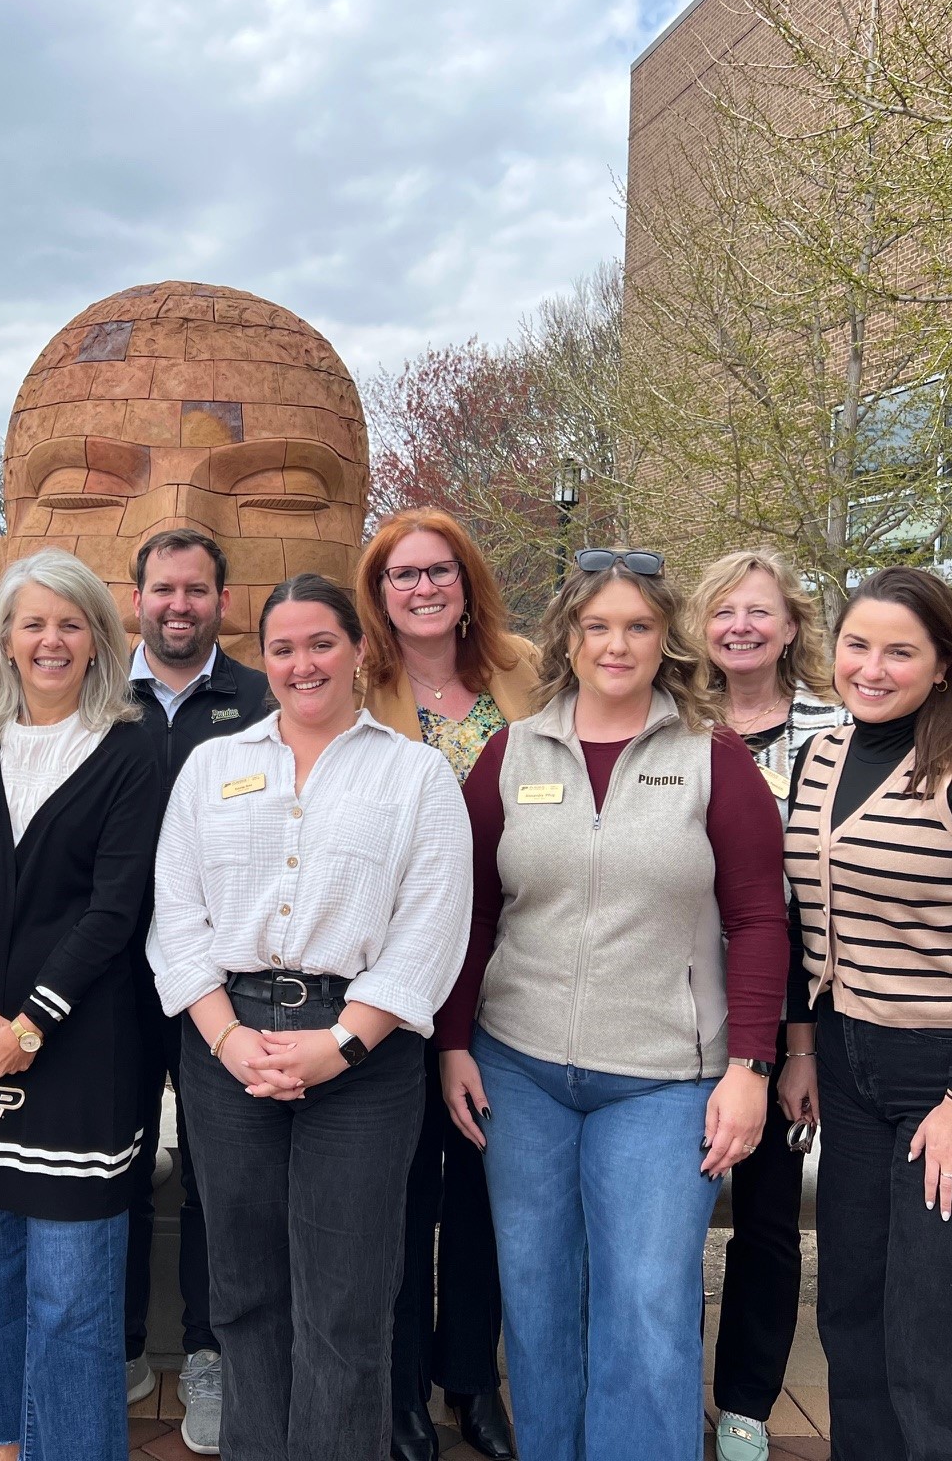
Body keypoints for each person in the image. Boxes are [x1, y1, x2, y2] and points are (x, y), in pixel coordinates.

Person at [436, 548, 788, 1461]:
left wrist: (750, 1068)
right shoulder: (511, 754)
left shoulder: (713, 759)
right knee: (540, 1297)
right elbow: (469, 909)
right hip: (520, 1070)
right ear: (570, 637)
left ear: (665, 638)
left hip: (663, 1080)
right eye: (598, 626)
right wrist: (453, 1043)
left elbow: (757, 919)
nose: (617, 644)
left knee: (645, 1298)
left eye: (637, 626)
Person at [149, 572, 472, 1461]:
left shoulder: (414, 774)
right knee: (245, 1294)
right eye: (283, 648)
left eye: (322, 643)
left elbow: (432, 929)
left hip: (361, 1057)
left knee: (346, 1303)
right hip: (229, 1048)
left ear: (361, 651)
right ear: (265, 659)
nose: (302, 664)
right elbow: (175, 914)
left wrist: (340, 1044)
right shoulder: (212, 767)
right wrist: (224, 1037)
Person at [779, 566, 952, 1461]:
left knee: (946, 1330)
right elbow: (803, 923)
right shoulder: (817, 760)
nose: (873, 667)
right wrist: (806, 1049)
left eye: (901, 651)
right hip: (850, 1064)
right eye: (859, 645)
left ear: (942, 665)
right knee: (853, 1308)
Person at [0, 548, 160, 1461]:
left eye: (70, 623)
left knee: (72, 1288)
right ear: (5, 641)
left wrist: (30, 1022)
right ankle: (5, 1442)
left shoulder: (132, 749)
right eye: (34, 623)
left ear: (98, 639)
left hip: (84, 1049)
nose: (51, 640)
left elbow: (117, 905)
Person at [355, 509, 538, 1461]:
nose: (421, 589)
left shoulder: (528, 674)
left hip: (514, 968)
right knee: (398, 1193)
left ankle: (471, 1378)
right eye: (401, 576)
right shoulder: (355, 683)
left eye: (438, 572)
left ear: (467, 583)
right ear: (378, 594)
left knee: (481, 1184)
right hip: (390, 973)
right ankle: (397, 1392)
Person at [689, 550, 850, 1461]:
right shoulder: (672, 723)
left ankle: (745, 1403)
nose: (741, 627)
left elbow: (809, 900)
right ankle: (667, 1383)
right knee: (664, 1216)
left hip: (792, 1006)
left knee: (766, 1215)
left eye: (758, 612)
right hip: (675, 1001)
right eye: (723, 613)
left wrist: (800, 1050)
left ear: (791, 626)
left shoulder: (835, 731)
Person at [124, 527, 272, 1455]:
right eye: (164, 589)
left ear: (224, 599)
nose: (180, 605)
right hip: (114, 981)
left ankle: (213, 1349)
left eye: (198, 590)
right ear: (135, 595)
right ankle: (123, 1342)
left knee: (224, 1179)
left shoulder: (260, 698)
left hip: (232, 984)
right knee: (120, 1161)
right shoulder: (101, 696)